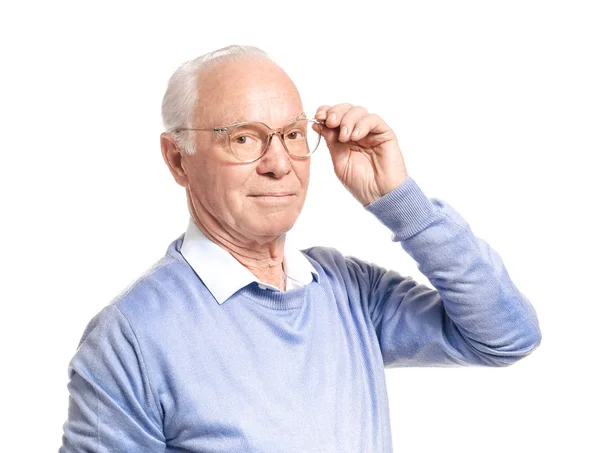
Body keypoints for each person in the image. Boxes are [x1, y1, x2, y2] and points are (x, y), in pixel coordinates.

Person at [58, 45, 542, 453]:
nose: (278, 164)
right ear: (177, 160)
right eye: (243, 138)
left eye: (292, 135)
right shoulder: (130, 336)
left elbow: (506, 336)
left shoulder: (346, 289)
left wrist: (399, 201)